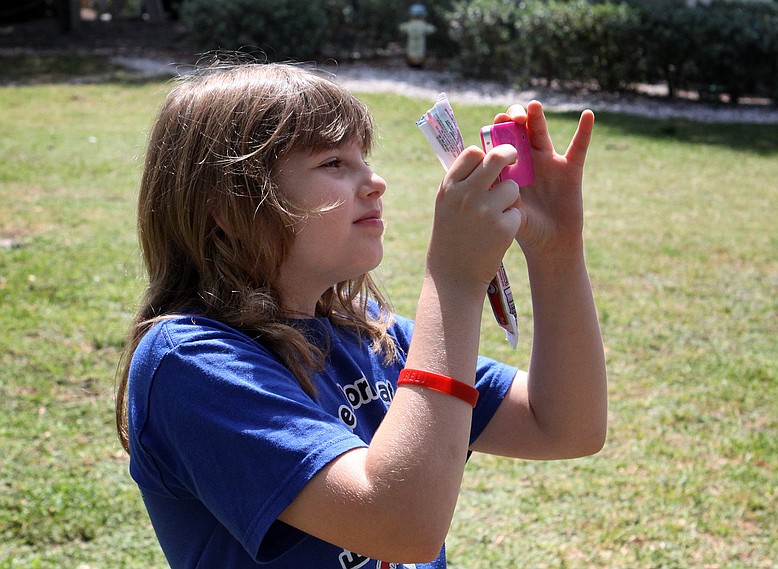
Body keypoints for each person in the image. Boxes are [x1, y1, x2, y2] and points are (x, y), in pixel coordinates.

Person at [115, 61, 607, 568]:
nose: (375, 182)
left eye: (363, 158)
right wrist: (455, 284)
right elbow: (400, 527)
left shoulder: (370, 335)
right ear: (228, 204)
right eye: (333, 162)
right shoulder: (191, 364)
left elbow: (565, 425)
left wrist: (557, 253)